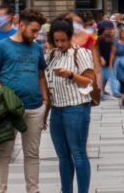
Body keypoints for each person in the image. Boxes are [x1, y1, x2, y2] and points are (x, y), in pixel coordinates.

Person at [0, 9, 49, 193]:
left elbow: (41, 76)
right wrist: (4, 95)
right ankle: (0, 190)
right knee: (4, 152)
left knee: (32, 154)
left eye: (38, 31)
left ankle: (33, 190)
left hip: (35, 107)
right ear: (21, 25)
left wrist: (45, 101)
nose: (36, 35)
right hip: (9, 110)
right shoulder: (2, 46)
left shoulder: (37, 48)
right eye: (34, 30)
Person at [44, 18, 94, 193]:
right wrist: (45, 114)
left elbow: (89, 81)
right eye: (56, 40)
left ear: (70, 37)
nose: (60, 44)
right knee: (63, 156)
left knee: (78, 154)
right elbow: (48, 86)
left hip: (76, 108)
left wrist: (71, 75)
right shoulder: (51, 55)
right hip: (56, 110)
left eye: (63, 40)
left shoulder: (80, 53)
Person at [96, 20, 117, 100]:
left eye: (110, 29)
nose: (110, 30)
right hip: (103, 62)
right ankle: (115, 92)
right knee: (109, 78)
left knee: (105, 78)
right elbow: (97, 51)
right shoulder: (100, 39)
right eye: (107, 29)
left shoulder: (109, 38)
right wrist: (101, 58)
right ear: (103, 29)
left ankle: (102, 92)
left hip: (108, 62)